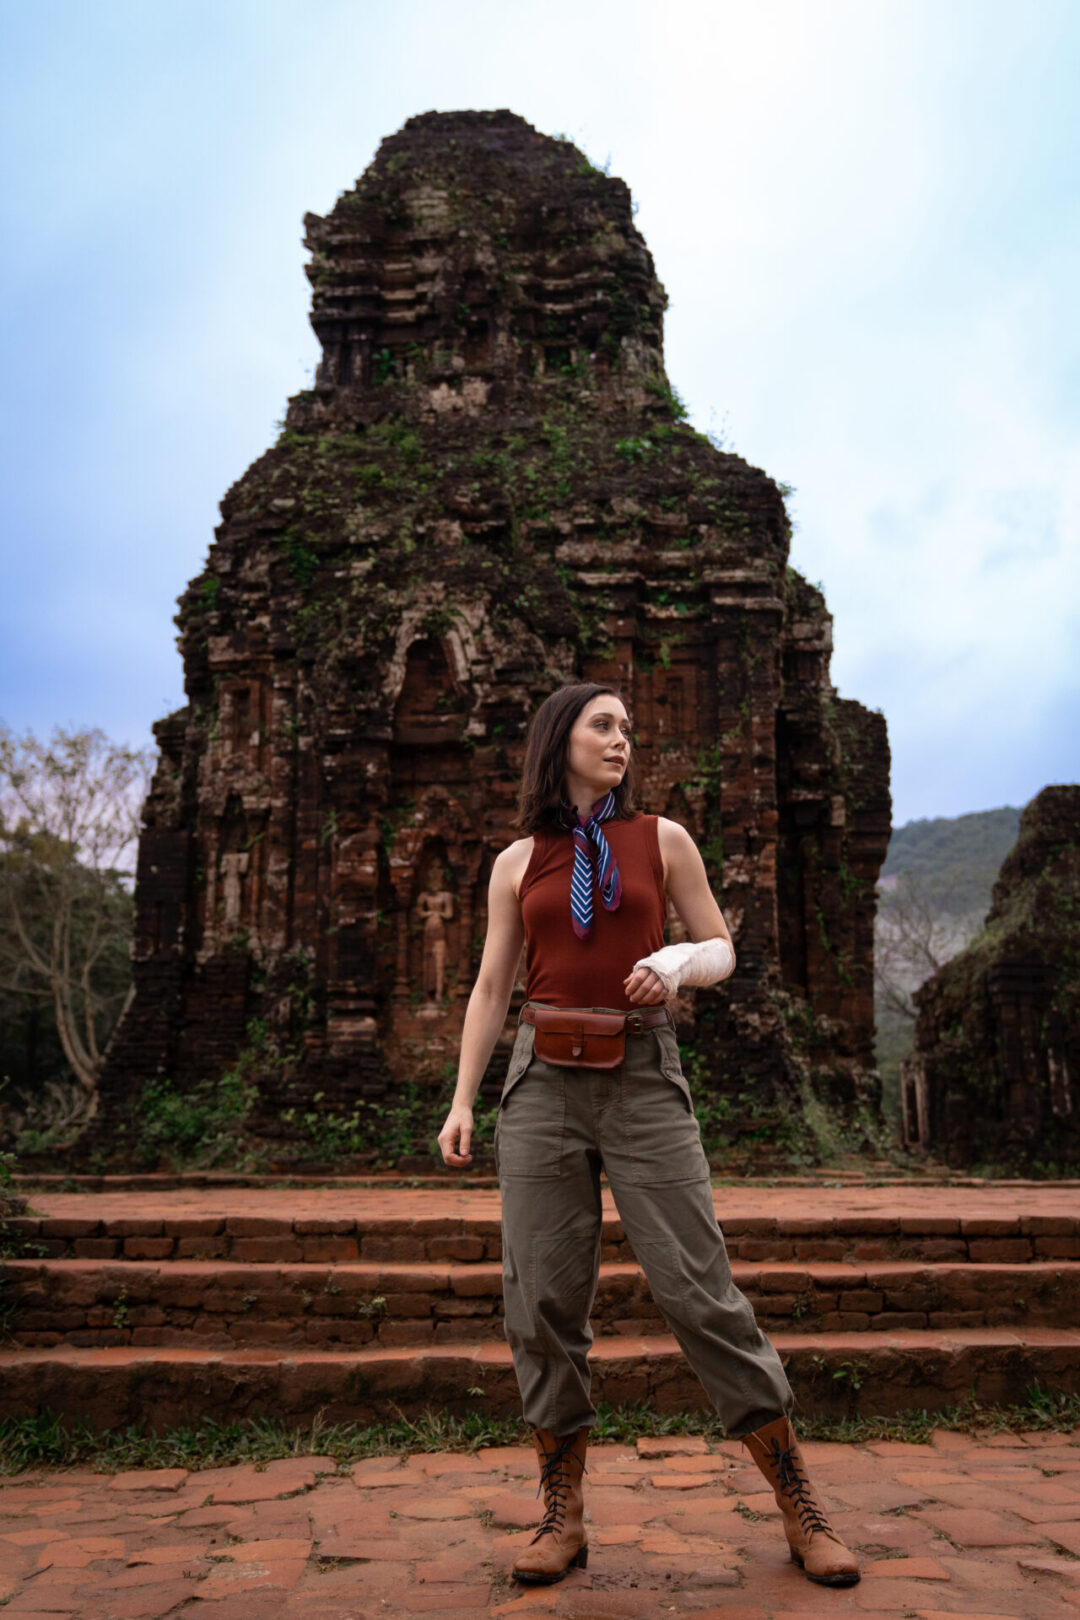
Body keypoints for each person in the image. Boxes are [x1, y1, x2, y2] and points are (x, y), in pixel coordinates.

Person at [437, 683, 859, 1590]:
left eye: (628, 727)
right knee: (540, 1299)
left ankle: (799, 1503)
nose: (622, 739)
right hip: (541, 1080)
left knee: (699, 1290)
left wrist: (674, 964)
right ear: (561, 739)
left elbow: (720, 945)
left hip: (641, 1078)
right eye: (604, 725)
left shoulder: (661, 840)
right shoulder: (517, 862)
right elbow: (488, 986)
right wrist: (463, 1099)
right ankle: (563, 1512)